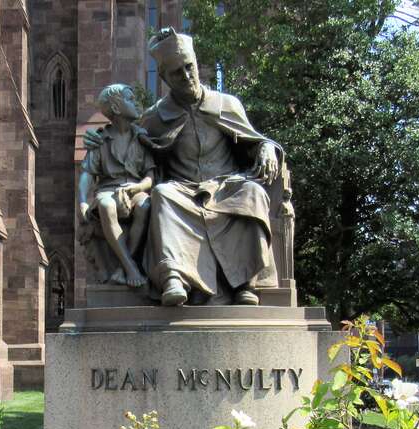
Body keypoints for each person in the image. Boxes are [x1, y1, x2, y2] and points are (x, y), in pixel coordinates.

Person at [86, 28, 284, 305]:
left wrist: (266, 149)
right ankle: (173, 279)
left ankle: (246, 284)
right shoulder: (154, 117)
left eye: (189, 68)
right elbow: (124, 136)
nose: (187, 76)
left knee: (252, 192)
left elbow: (254, 140)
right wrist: (96, 138)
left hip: (226, 186)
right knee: (162, 195)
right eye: (177, 72)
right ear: (165, 78)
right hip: (183, 192)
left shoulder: (226, 104)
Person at [78, 84, 155, 288]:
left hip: (134, 189)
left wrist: (137, 188)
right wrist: (83, 202)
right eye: (130, 99)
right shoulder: (101, 139)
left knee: (145, 206)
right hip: (107, 190)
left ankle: (123, 269)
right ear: (116, 107)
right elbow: (87, 173)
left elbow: (150, 177)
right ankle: (130, 267)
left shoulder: (141, 137)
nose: (136, 102)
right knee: (105, 206)